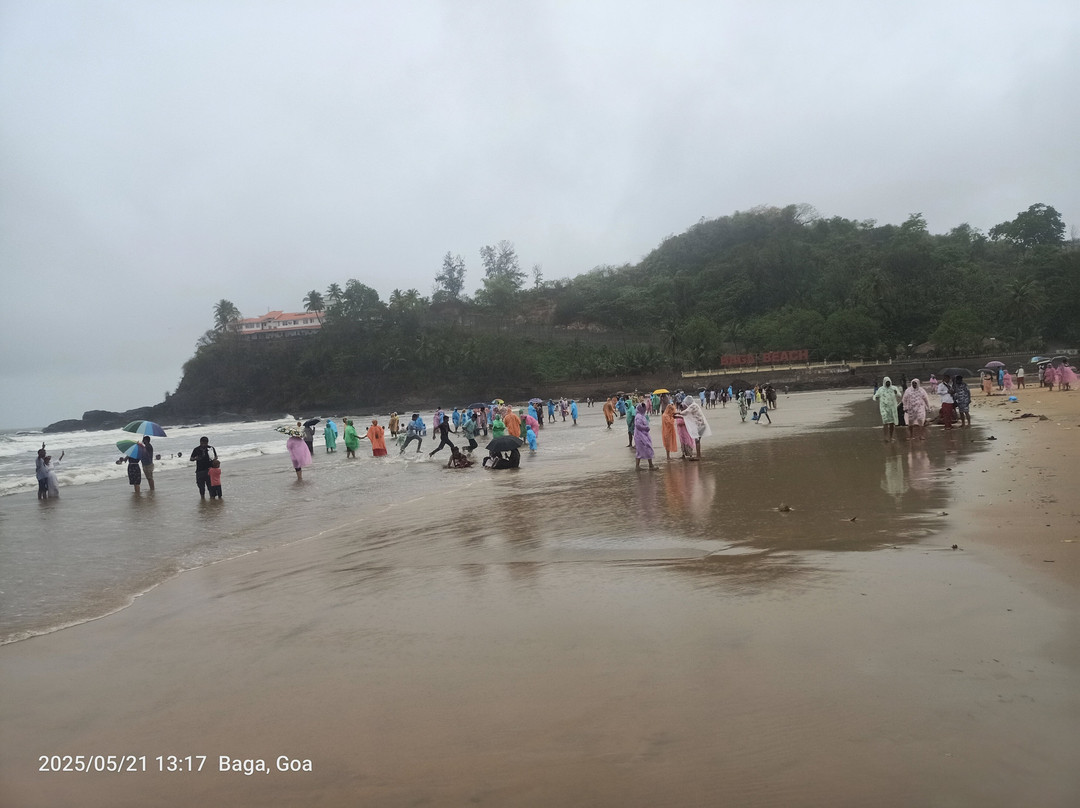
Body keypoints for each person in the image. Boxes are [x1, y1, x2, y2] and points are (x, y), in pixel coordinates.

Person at [872, 376, 902, 442]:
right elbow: (875, 396)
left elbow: (899, 395)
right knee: (885, 422)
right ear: (884, 382)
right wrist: (875, 398)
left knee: (892, 423)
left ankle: (891, 437)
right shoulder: (881, 389)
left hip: (892, 408)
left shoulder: (894, 388)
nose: (888, 383)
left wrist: (896, 392)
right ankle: (885, 437)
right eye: (886, 382)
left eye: (888, 382)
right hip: (884, 408)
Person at [633, 402, 655, 470]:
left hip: (644, 435)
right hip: (639, 436)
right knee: (641, 450)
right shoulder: (638, 416)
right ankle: (639, 466)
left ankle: (650, 465)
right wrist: (646, 428)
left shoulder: (642, 416)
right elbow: (638, 425)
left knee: (647, 448)